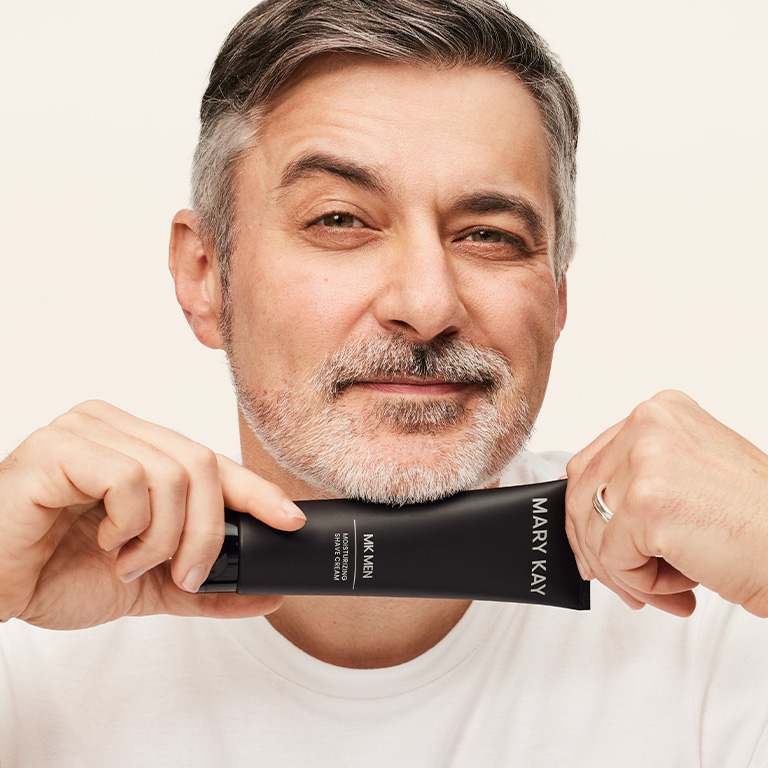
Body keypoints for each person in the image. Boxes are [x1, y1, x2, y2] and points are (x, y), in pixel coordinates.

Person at [1, 0, 768, 765]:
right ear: (206, 277)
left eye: (489, 235)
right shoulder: (27, 628)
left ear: (558, 295)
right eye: (340, 220)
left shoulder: (724, 615)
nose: (427, 305)